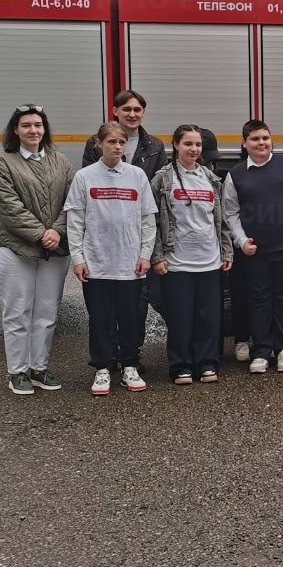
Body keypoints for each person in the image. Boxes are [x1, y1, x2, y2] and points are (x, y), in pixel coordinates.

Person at [66, 122, 158, 395]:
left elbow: (147, 220)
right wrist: (78, 258)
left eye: (121, 142)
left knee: (130, 318)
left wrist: (145, 254)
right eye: (111, 142)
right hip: (97, 263)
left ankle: (129, 365)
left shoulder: (137, 176)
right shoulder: (84, 177)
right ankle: (103, 368)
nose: (118, 147)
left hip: (130, 263)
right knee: (100, 319)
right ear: (99, 144)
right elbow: (74, 221)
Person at [222, 119, 283, 375]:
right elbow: (230, 213)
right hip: (257, 251)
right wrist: (241, 241)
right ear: (244, 144)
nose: (261, 143)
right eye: (255, 139)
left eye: (265, 138)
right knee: (259, 300)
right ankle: (262, 351)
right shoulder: (236, 174)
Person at [0, 104, 74, 396]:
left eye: (38, 125)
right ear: (16, 130)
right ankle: (17, 371)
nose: (33, 130)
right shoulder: (3, 164)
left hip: (55, 249)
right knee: (17, 311)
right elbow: (9, 208)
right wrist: (41, 234)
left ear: (44, 129)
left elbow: (71, 202)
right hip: (17, 250)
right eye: (26, 125)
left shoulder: (61, 162)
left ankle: (39, 367)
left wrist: (57, 231)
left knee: (47, 312)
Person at [82, 89, 168, 363]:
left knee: (138, 299)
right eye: (127, 109)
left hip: (139, 232)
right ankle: (108, 355)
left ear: (143, 113)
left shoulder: (154, 145)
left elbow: (159, 190)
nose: (132, 114)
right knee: (105, 304)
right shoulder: (94, 143)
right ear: (115, 111)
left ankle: (131, 353)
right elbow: (90, 185)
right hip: (106, 237)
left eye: (137, 110)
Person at [150, 125, 233, 385]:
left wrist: (226, 250)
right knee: (180, 317)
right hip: (177, 262)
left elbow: (221, 221)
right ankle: (181, 366)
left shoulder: (211, 179)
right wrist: (157, 256)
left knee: (208, 317)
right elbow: (151, 221)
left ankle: (207, 363)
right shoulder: (162, 179)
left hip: (209, 260)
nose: (194, 149)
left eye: (197, 145)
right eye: (188, 144)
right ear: (175, 145)